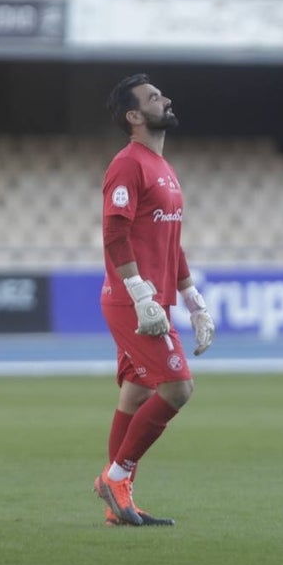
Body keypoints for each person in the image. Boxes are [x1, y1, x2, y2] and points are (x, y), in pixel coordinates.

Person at [94, 74, 215, 527]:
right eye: (153, 98)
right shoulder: (128, 164)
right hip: (132, 301)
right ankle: (116, 476)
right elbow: (114, 233)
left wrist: (193, 299)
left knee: (137, 392)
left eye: (162, 94)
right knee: (178, 388)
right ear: (134, 116)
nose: (165, 99)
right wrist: (141, 292)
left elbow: (171, 243)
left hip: (154, 300)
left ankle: (118, 502)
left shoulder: (163, 167)